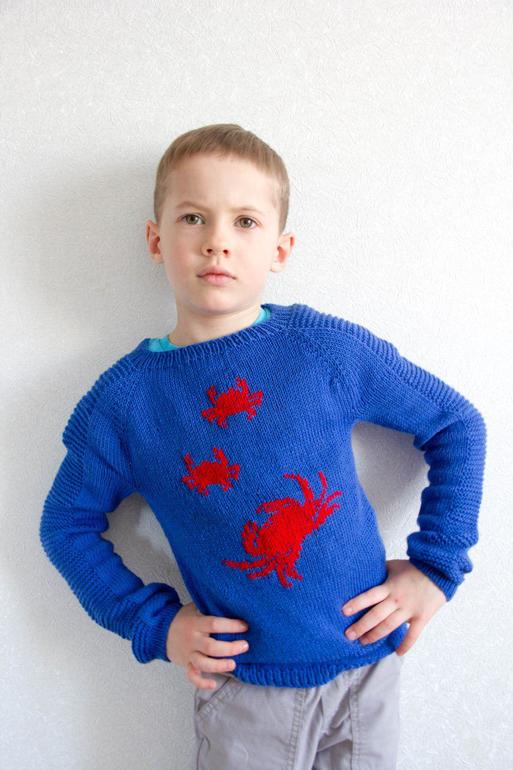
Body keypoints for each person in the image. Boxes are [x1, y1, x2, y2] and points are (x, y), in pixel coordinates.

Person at [39, 123, 487, 769]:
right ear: (156, 240)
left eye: (244, 221)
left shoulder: (323, 349)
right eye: (193, 217)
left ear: (280, 249)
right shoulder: (126, 402)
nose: (217, 240)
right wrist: (155, 624)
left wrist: (437, 568)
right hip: (245, 691)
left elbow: (456, 424)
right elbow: (65, 524)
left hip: (370, 667)